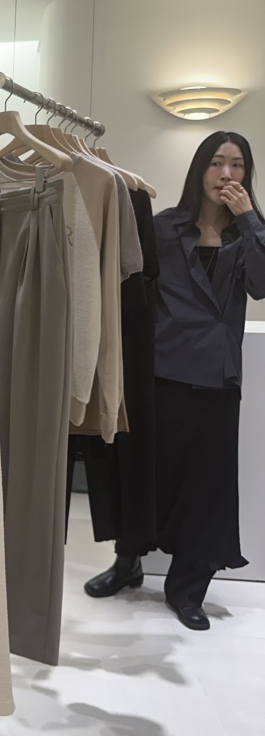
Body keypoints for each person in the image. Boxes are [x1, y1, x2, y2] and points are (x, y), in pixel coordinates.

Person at [84, 131, 265, 630]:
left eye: (237, 165)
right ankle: (127, 563)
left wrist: (249, 218)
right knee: (144, 471)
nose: (226, 174)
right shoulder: (163, 227)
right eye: (217, 162)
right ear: (199, 169)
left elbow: (261, 285)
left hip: (216, 378)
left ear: (247, 174)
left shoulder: (249, 232)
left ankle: (186, 589)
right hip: (159, 371)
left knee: (206, 488)